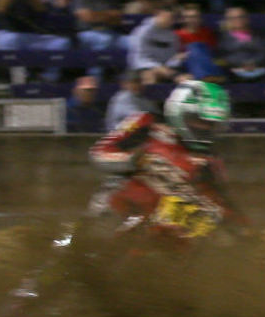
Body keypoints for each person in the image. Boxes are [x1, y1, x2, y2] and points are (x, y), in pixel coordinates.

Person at [89, 80, 240, 235]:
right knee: (102, 226)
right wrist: (135, 161)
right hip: (120, 204)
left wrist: (244, 232)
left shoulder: (210, 160)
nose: (205, 128)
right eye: (199, 121)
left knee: (209, 225)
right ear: (180, 112)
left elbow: (221, 201)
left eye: (211, 124)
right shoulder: (147, 123)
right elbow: (100, 152)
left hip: (168, 224)